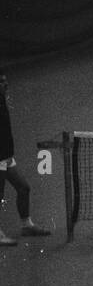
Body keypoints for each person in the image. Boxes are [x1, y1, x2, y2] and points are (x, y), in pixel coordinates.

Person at [0, 70, 50, 246]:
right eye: (2, 82)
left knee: (23, 188)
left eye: (5, 81)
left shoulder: (3, 100)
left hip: (6, 156)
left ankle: (26, 225)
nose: (6, 84)